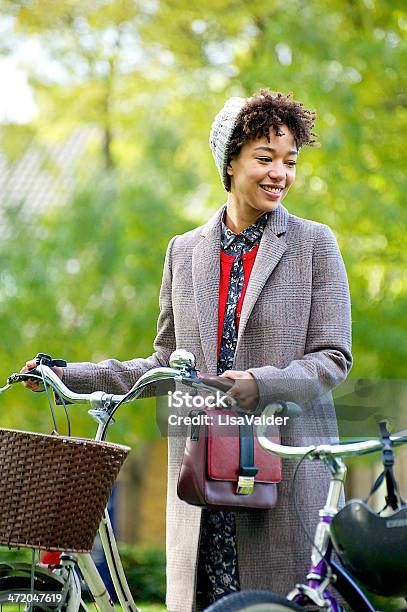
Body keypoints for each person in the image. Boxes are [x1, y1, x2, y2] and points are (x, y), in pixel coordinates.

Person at [22, 89, 352, 612]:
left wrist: (260, 384)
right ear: (229, 162)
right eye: (264, 158)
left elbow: (333, 357)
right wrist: (68, 373)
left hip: (280, 475)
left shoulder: (314, 244)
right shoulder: (184, 251)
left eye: (289, 162)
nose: (279, 174)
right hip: (201, 480)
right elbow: (161, 363)